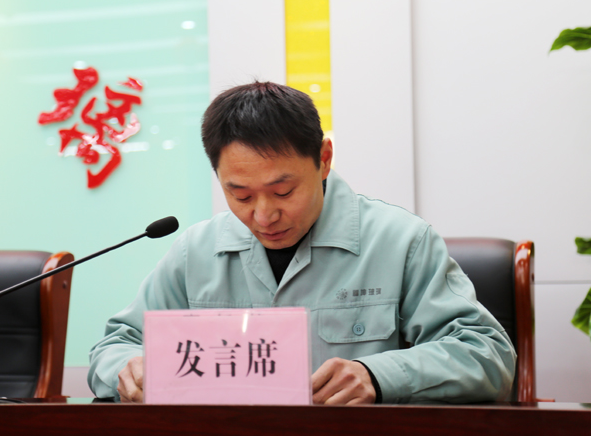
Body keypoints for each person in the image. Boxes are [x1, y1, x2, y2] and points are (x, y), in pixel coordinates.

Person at [88, 81, 515, 404]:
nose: (263, 215)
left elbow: (487, 355)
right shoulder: (195, 252)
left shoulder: (401, 241)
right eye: (241, 195)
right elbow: (115, 346)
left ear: (324, 159)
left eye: (283, 191)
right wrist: (128, 370)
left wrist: (378, 376)